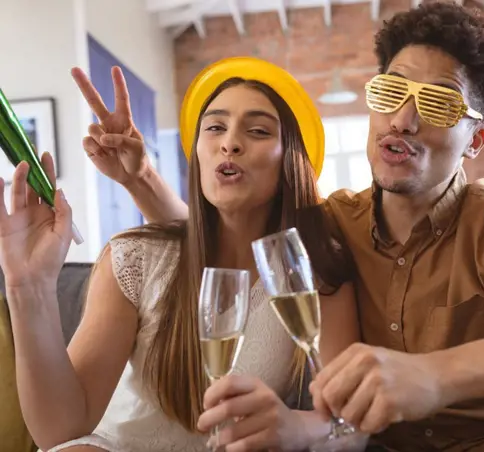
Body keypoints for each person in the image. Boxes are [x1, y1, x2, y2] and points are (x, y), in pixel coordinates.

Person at [85, 3, 484, 452]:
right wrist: (143, 182)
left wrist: (436, 376)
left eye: (440, 103)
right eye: (391, 92)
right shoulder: (324, 224)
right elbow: (225, 231)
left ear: (474, 139)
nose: (404, 118)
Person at [0, 58, 362, 452]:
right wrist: (28, 286)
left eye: (258, 131)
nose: (230, 143)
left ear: (291, 159)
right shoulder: (137, 258)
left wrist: (297, 429)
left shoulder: (314, 273)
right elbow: (61, 432)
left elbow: (351, 426)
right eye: (215, 127)